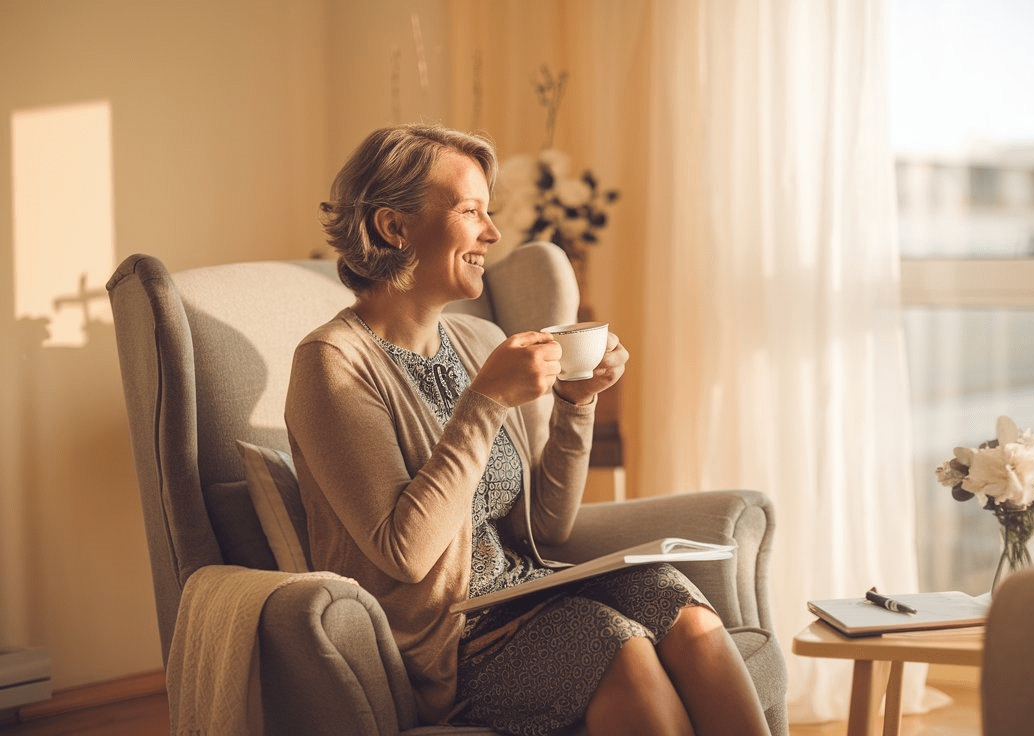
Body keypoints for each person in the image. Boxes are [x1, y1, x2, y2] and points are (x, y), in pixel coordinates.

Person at [285, 123, 770, 736]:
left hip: (521, 590)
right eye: (471, 211)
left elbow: (543, 529)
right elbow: (404, 554)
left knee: (677, 604)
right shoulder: (332, 364)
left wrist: (575, 403)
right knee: (612, 644)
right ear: (394, 226)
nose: (492, 233)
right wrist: (484, 402)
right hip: (445, 640)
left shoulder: (475, 341)